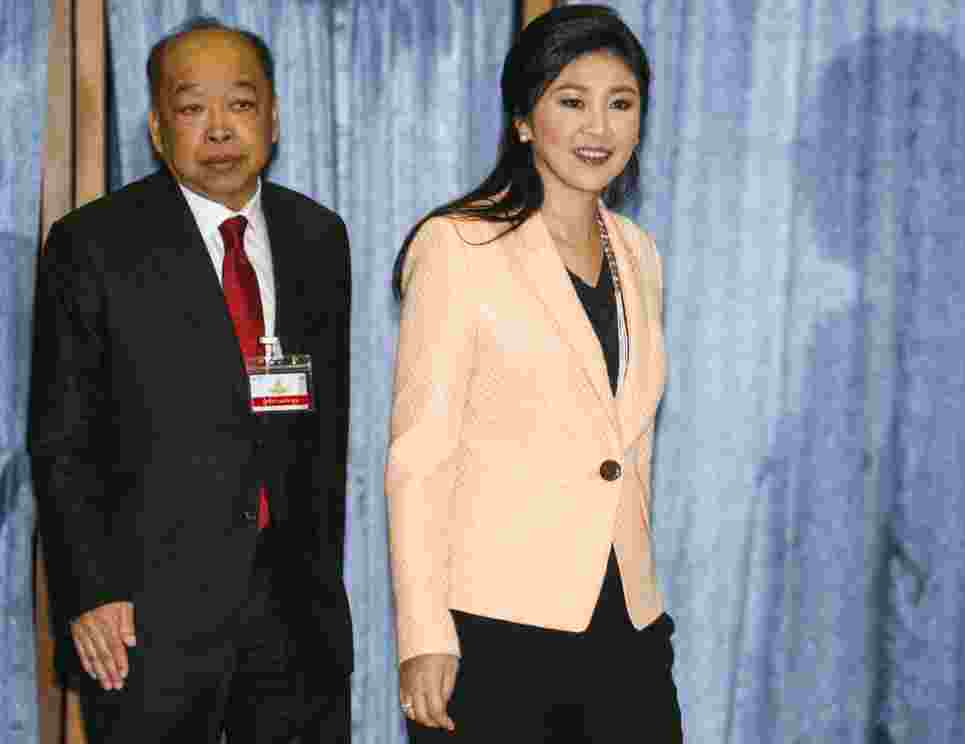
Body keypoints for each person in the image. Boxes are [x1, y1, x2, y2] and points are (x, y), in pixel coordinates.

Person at [29, 17, 352, 744]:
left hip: (293, 620)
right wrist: (93, 593)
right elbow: (61, 435)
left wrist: (328, 592)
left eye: (239, 104)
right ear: (155, 125)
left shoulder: (318, 238)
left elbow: (326, 435)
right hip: (149, 620)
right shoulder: (95, 244)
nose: (217, 129)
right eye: (190, 107)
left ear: (273, 116)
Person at [386, 5, 683, 741]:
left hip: (628, 624)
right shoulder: (458, 244)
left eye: (621, 104)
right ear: (524, 119)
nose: (599, 127)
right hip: (494, 629)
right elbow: (421, 454)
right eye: (571, 101)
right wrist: (426, 633)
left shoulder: (639, 253)